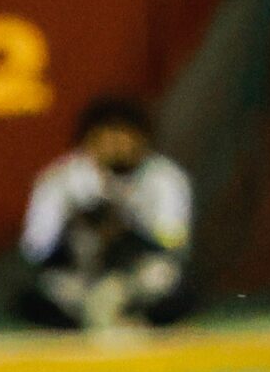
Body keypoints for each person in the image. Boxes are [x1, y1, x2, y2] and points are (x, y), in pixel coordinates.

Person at [17, 96, 192, 329]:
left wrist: (126, 232)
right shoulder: (61, 179)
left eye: (125, 134)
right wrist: (75, 228)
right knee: (39, 298)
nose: (117, 144)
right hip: (82, 277)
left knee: (170, 286)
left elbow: (174, 242)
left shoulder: (164, 177)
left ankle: (131, 318)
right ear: (88, 140)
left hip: (136, 279)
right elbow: (36, 248)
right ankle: (94, 322)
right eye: (107, 135)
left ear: (143, 139)